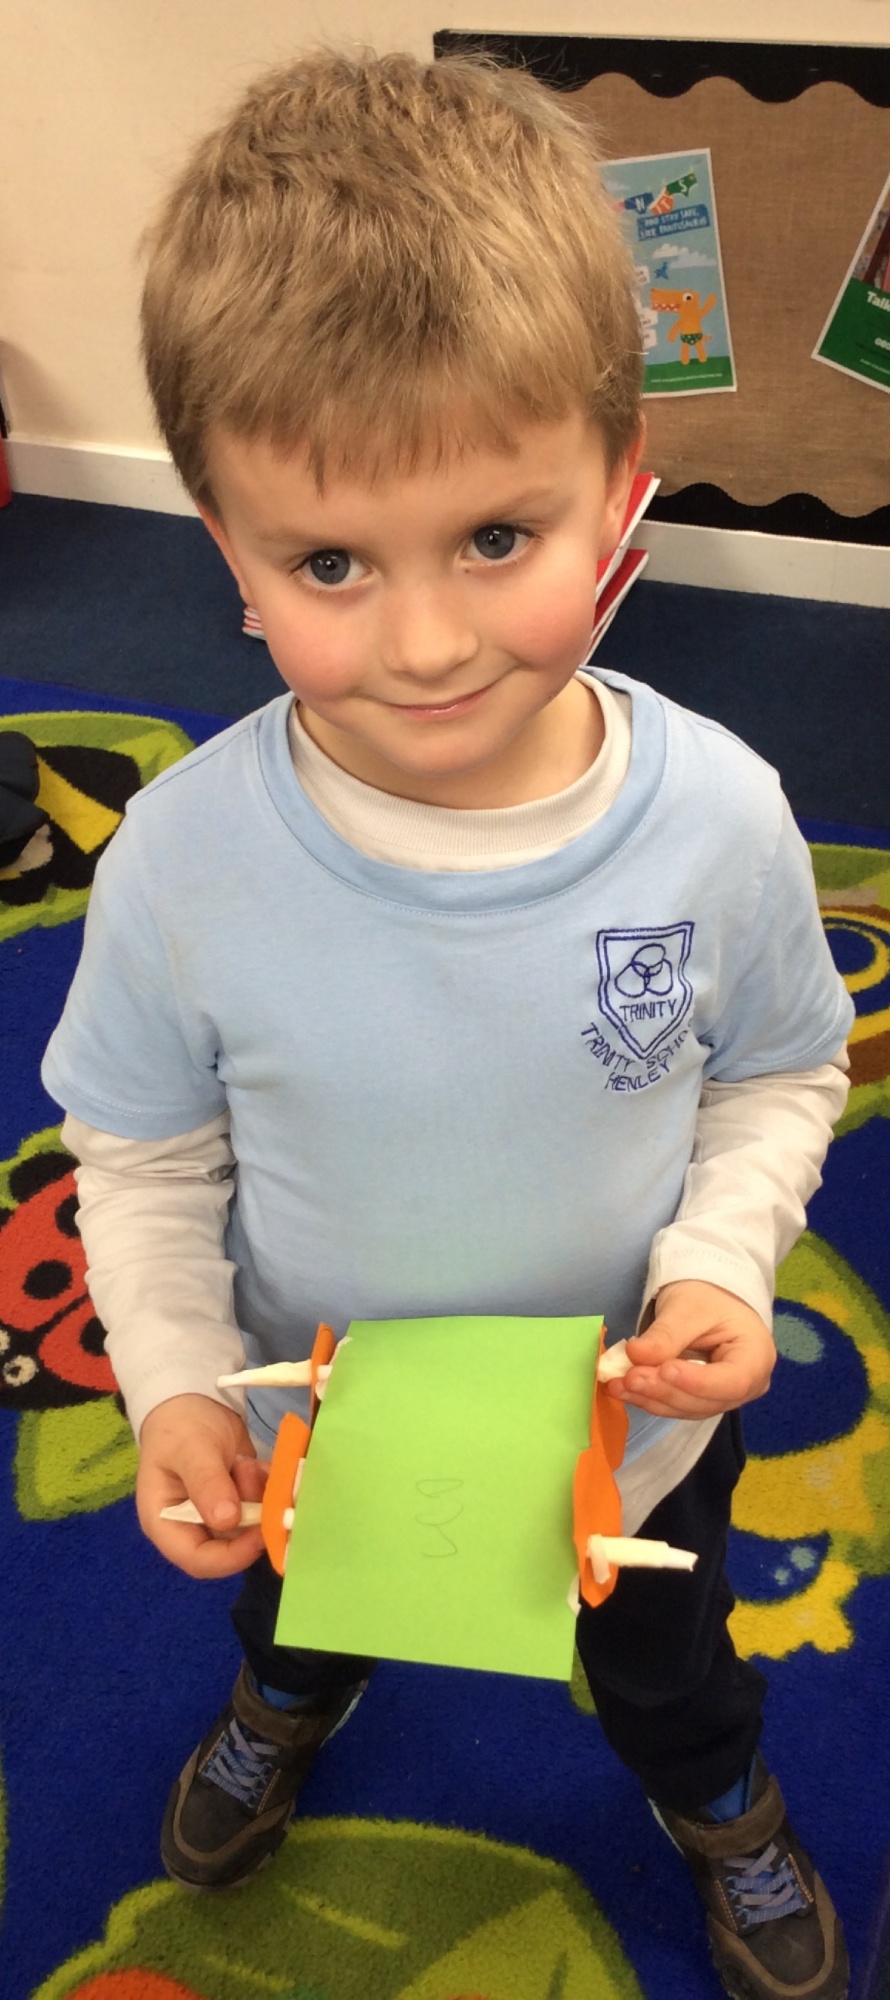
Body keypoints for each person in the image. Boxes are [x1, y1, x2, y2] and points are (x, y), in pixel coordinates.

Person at [42, 49, 853, 2000]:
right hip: (313, 1423)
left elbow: (775, 1069)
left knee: (665, 1666)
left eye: (497, 537)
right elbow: (141, 1162)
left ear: (617, 506)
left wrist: (721, 1265)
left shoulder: (723, 814)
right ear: (225, 560)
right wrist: (166, 1385)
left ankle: (716, 1804)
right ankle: (285, 1718)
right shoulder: (177, 857)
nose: (421, 642)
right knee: (305, 1624)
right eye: (329, 562)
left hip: (626, 1437)